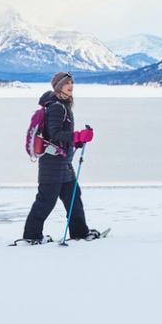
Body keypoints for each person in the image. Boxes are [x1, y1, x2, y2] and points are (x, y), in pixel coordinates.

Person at [20, 72, 99, 244]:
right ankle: (31, 236)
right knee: (46, 201)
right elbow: (55, 134)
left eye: (72, 83)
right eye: (66, 83)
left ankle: (80, 232)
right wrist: (77, 136)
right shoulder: (57, 107)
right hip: (52, 165)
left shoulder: (63, 105)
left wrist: (76, 142)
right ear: (58, 86)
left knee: (73, 198)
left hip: (63, 163)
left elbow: (59, 137)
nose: (71, 86)